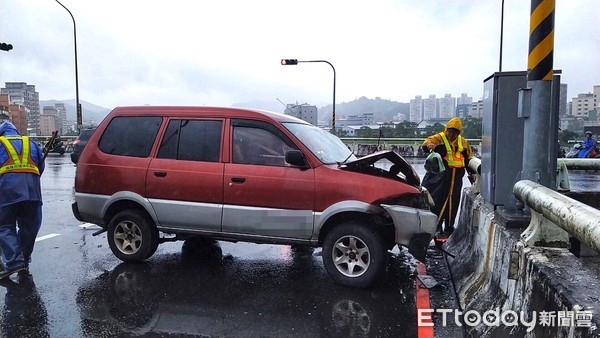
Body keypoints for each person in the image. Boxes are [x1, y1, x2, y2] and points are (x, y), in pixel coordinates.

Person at [0, 121, 45, 279]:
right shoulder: (29, 142)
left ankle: (14, 262)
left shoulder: (0, 143)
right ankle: (23, 260)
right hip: (32, 192)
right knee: (29, 227)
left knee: (5, 226)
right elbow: (41, 166)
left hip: (7, 191)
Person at [421, 117, 475, 237]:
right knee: (438, 199)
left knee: (453, 200)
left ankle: (449, 227)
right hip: (442, 175)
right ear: (446, 129)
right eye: (450, 131)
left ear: (458, 132)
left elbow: (468, 158)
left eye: (455, 132)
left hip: (457, 176)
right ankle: (436, 226)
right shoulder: (439, 138)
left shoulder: (463, 142)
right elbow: (426, 144)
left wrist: (472, 173)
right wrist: (429, 146)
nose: (451, 134)